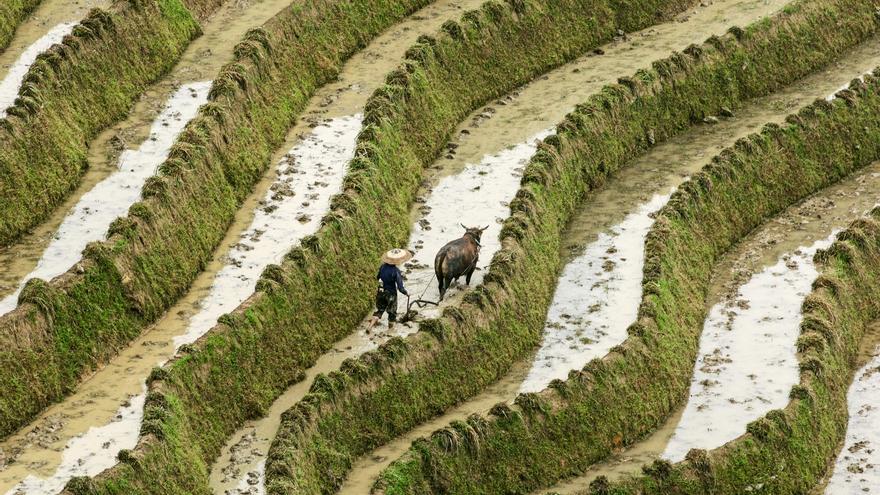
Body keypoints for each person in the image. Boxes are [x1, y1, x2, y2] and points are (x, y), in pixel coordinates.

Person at [367, 248, 412, 330]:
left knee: (379, 310)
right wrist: (406, 293)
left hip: (381, 292)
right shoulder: (395, 271)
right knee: (392, 314)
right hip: (391, 294)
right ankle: (390, 332)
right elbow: (400, 288)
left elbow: (378, 277)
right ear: (397, 260)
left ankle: (370, 327)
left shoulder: (382, 267)